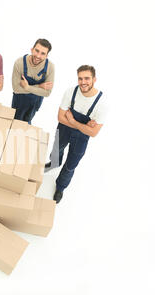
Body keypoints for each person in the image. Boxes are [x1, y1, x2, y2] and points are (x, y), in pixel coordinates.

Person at [45, 65, 108, 203]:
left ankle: (60, 187)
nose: (83, 82)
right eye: (80, 78)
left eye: (87, 78)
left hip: (81, 138)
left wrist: (72, 120)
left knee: (71, 165)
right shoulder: (70, 92)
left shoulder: (102, 103)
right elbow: (60, 118)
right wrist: (84, 126)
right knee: (57, 149)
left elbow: (93, 133)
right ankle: (54, 164)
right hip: (64, 129)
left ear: (94, 79)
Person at [11, 39, 55, 124]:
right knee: (13, 124)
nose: (38, 56)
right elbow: (16, 88)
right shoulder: (19, 63)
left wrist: (27, 87)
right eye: (37, 51)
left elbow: (47, 93)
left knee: (27, 126)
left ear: (47, 56)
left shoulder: (50, 67)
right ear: (32, 49)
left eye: (43, 53)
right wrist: (39, 86)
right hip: (19, 102)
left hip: (34, 104)